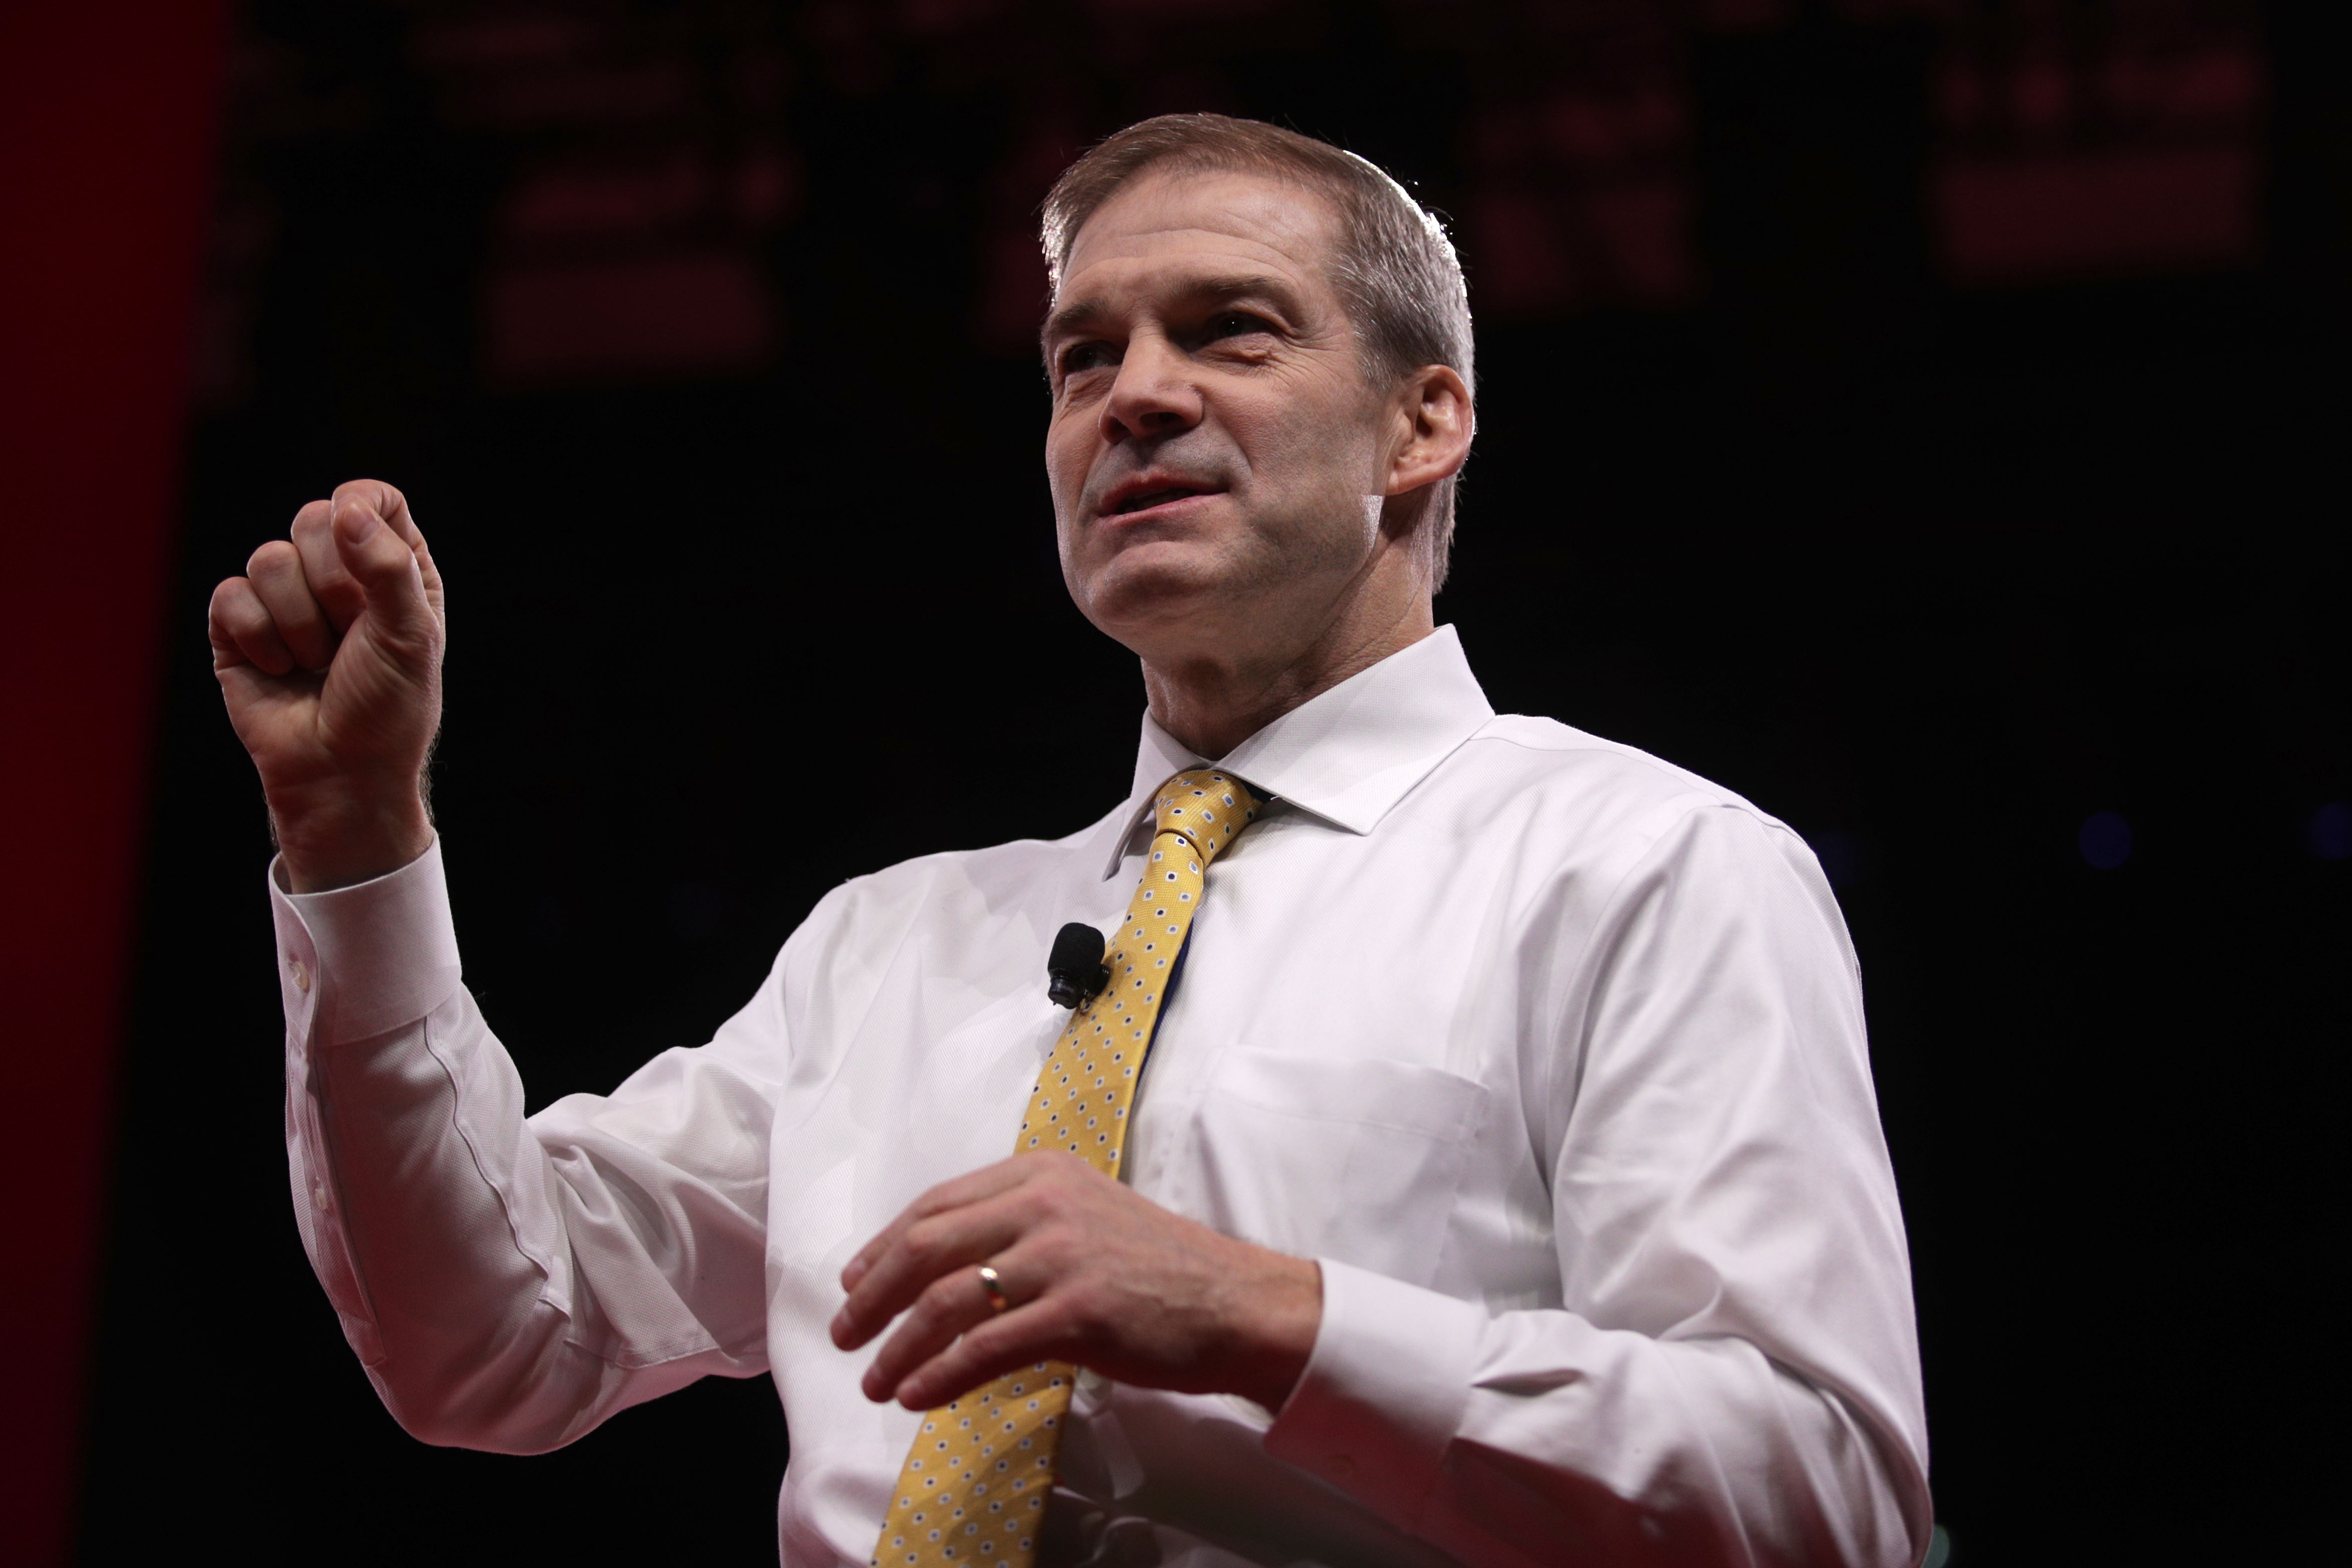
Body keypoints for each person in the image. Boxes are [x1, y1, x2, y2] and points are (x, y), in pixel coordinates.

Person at [208, 115, 1930, 1567]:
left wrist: (1266, 1317)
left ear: (1423, 423)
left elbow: (1813, 1492)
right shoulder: (886, 949)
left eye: (1230, 331)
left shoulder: (1638, 866)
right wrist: (354, 837)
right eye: (1082, 356)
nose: (1133, 398)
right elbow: (491, 1339)